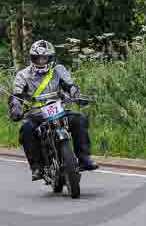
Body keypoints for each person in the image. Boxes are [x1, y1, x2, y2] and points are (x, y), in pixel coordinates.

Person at [8, 40, 98, 180]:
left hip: (58, 110)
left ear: (50, 58)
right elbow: (17, 95)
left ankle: (84, 158)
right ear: (32, 58)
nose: (41, 61)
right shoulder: (23, 75)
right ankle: (37, 167)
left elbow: (70, 86)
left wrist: (76, 95)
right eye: (37, 58)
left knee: (79, 118)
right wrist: (16, 106)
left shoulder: (59, 70)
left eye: (44, 58)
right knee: (26, 129)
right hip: (36, 114)